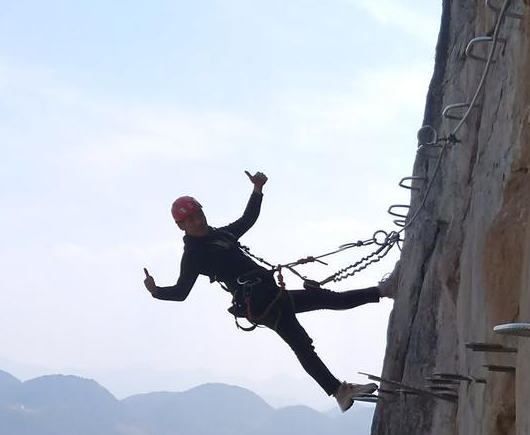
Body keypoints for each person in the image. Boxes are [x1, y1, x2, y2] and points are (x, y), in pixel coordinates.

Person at [142, 171, 392, 411]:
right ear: (181, 226)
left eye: (199, 214)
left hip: (271, 296)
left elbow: (247, 219)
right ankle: (339, 390)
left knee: (325, 300)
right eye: (191, 219)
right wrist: (156, 291)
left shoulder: (221, 235)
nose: (198, 221)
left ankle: (382, 292)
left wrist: (257, 190)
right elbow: (181, 291)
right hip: (261, 304)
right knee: (303, 343)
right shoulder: (194, 254)